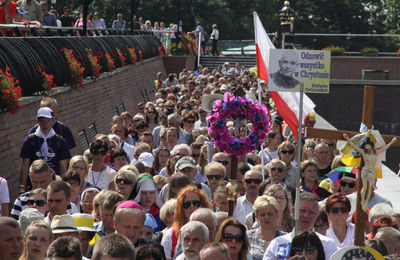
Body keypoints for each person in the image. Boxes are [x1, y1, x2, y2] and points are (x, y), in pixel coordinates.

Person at [263, 192, 337, 260]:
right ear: (293, 211)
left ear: (317, 214)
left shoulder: (327, 244)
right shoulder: (277, 243)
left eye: (311, 212)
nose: (306, 215)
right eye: (302, 210)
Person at [20, 107, 71, 189]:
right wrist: (21, 188)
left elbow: (63, 168)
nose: (45, 124)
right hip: (34, 184)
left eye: (48, 121)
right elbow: (25, 166)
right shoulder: (30, 140)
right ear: (37, 121)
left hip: (54, 184)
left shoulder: (60, 141)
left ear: (53, 121)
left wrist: (62, 186)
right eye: (42, 121)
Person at [343, 133, 397, 211]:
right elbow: (354, 147)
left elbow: (385, 148)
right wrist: (347, 138)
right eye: (366, 149)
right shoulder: (364, 154)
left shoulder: (376, 153)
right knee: (364, 187)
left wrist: (392, 142)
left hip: (371, 171)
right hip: (365, 170)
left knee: (370, 187)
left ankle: (365, 203)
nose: (368, 150)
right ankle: (362, 202)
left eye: (369, 148)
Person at [161, 186, 212, 260]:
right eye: (186, 204)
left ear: (203, 204)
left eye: (196, 203)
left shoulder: (212, 230)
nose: (191, 206)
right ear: (181, 209)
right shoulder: (171, 234)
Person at [247, 195, 285, 260]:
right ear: (257, 217)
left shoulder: (285, 239)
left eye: (270, 214)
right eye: (262, 215)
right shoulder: (247, 237)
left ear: (277, 215)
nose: (266, 217)